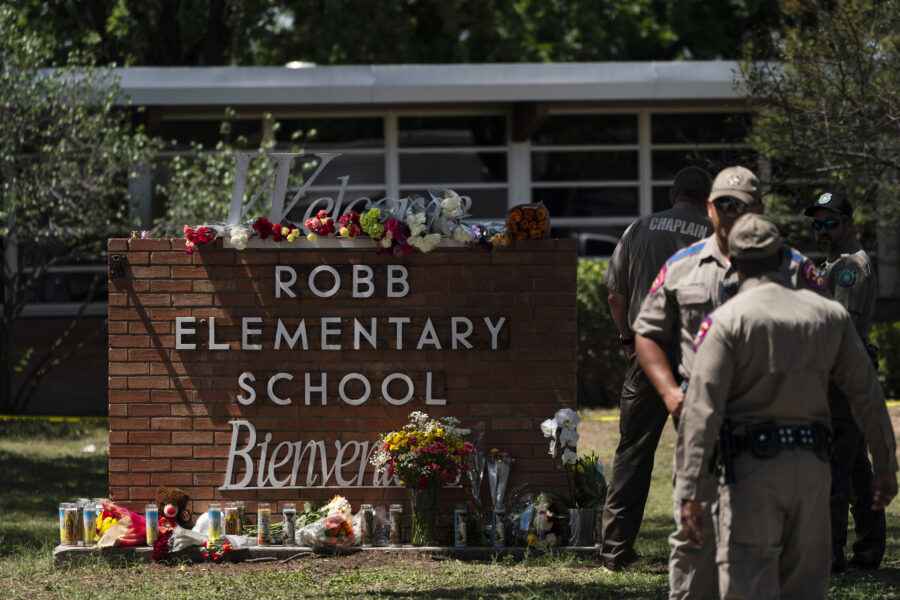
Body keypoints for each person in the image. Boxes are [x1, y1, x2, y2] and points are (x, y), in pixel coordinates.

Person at [675, 213, 897, 599]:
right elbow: (867, 395)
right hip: (812, 471)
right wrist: (885, 466)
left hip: (750, 470)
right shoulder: (829, 316)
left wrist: (692, 488)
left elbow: (701, 411)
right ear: (783, 258)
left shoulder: (726, 321)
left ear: (735, 263)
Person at [632, 166, 826, 599]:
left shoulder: (793, 267)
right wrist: (668, 391)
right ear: (708, 207)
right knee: (694, 538)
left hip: (773, 430)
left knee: (764, 544)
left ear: (759, 210)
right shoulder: (682, 267)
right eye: (723, 204)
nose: (731, 213)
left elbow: (829, 331)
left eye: (741, 206)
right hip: (700, 424)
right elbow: (646, 331)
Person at [598, 166, 713, 571]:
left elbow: (615, 296)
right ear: (707, 198)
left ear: (672, 194)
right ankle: (705, 551)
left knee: (633, 452)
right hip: (701, 356)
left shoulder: (637, 229)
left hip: (647, 355)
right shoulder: (717, 235)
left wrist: (630, 341)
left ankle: (614, 551)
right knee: (703, 454)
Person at [803, 191, 884, 570]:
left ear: (849, 224)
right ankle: (868, 547)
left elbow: (843, 324)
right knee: (853, 466)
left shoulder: (850, 265)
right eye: (817, 223)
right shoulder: (833, 262)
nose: (822, 229)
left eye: (830, 222)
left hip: (841, 376)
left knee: (833, 464)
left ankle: (830, 554)